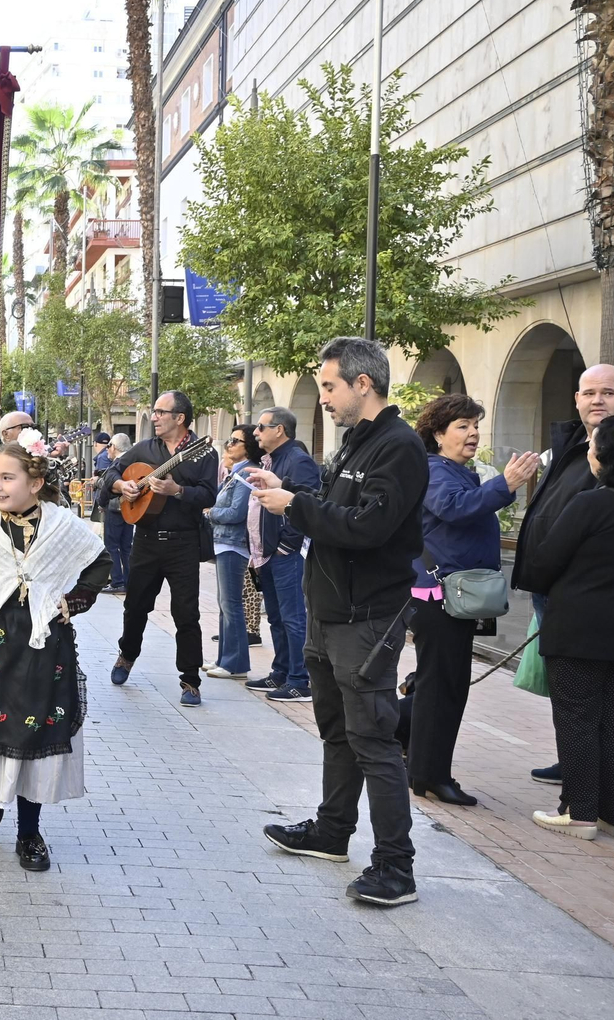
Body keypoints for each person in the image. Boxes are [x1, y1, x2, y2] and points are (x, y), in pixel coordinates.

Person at [251, 337, 428, 908]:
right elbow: (337, 513)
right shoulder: (356, 442)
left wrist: (294, 507)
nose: (322, 397)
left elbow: (367, 527)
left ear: (363, 384)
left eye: (329, 386)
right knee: (337, 732)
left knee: (374, 738)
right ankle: (332, 832)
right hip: (328, 615)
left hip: (366, 618)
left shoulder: (397, 447)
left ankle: (395, 869)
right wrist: (287, 494)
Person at [0, 434, 112, 871]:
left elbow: (99, 563)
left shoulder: (62, 524)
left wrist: (73, 601)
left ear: (36, 481)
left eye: (7, 477)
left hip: (43, 645)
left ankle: (29, 831)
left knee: (37, 732)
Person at [405, 394, 536, 807]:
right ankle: (428, 775)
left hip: (455, 599)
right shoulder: (434, 471)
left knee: (444, 686)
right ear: (438, 434)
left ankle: (425, 766)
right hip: (439, 599)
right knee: (440, 689)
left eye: (475, 425)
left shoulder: (455, 470)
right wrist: (507, 483)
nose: (473, 433)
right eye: (462, 426)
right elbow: (454, 509)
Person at [510, 363, 614, 787]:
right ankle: (577, 764)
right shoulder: (574, 441)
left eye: (607, 392)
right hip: (560, 588)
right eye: (589, 393)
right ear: (577, 399)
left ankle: (584, 789)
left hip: (591, 593)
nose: (597, 400)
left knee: (597, 701)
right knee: (573, 696)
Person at [527, 414, 614, 841]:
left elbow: (543, 565)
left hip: (578, 631)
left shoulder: (591, 503)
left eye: (592, 446)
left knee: (576, 718)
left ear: (603, 457)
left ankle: (580, 813)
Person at [98, 391, 220, 706]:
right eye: (154, 412)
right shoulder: (143, 448)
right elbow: (110, 474)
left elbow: (209, 495)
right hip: (146, 540)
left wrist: (178, 490)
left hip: (183, 543)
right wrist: (121, 485)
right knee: (135, 605)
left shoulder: (203, 454)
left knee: (187, 614)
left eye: (160, 412)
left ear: (179, 418)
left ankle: (190, 680)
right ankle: (127, 654)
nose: (154, 417)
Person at [245, 407, 322, 702]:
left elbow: (306, 503)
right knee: (276, 616)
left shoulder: (298, 460)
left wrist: (286, 545)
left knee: (293, 618)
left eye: (262, 427)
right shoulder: (273, 459)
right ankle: (282, 671)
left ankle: (299, 680)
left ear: (280, 430)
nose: (256, 433)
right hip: (268, 552)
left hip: (285, 554)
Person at [205, 424, 261, 679]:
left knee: (231, 604)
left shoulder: (245, 475)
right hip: (223, 542)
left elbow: (236, 513)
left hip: (233, 544)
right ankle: (223, 658)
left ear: (248, 446)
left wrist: (210, 513)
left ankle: (235, 664)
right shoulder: (233, 473)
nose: (229, 444)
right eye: (229, 439)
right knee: (224, 604)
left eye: (236, 441)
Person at [99, 433, 133, 593]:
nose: (107, 450)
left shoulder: (119, 463)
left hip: (115, 509)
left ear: (114, 446)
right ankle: (127, 580)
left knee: (112, 545)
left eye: (109, 446)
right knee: (126, 547)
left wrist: (101, 503)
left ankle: (117, 581)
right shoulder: (134, 461)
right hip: (130, 509)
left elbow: (108, 484)